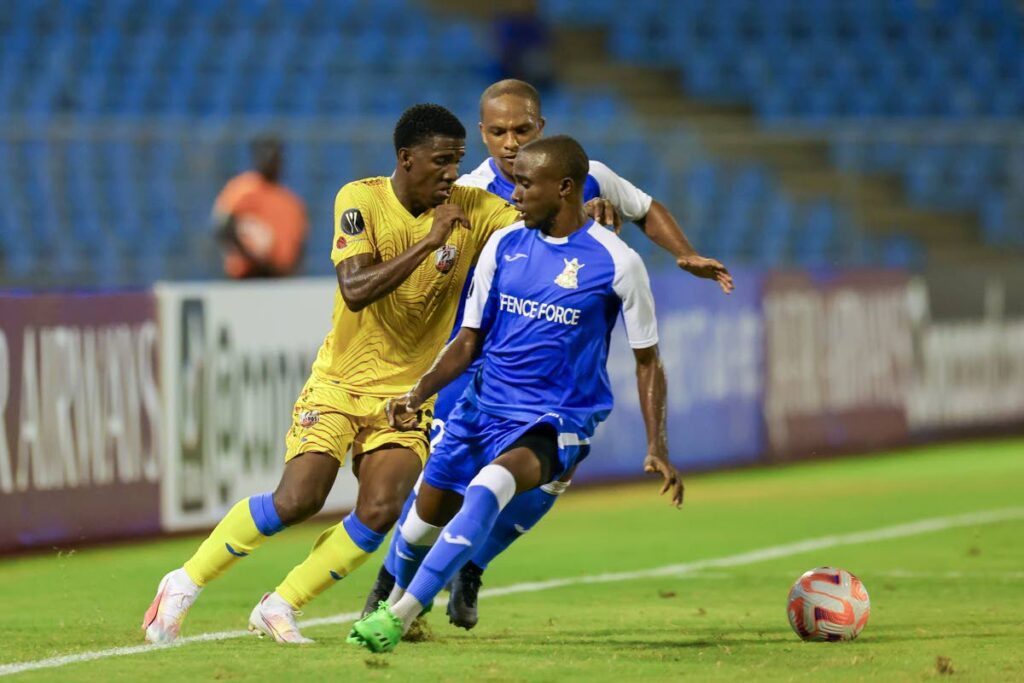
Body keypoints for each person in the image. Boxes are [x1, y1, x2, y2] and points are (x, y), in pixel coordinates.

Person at [142, 104, 527, 645]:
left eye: (457, 162)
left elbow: (535, 226)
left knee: (380, 509)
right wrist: (429, 242)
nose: (451, 174)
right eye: (441, 162)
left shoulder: (475, 209)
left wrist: (590, 211)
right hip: (340, 383)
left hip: (405, 395)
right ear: (406, 159)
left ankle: (280, 604)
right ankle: (183, 582)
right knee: (297, 500)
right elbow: (356, 287)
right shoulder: (360, 199)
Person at [364, 78, 731, 630]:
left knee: (535, 484)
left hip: (558, 382)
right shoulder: (462, 191)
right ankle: (389, 588)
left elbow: (645, 208)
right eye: (497, 132)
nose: (510, 143)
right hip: (480, 364)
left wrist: (685, 253)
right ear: (481, 133)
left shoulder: (586, 177)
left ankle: (471, 566)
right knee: (438, 494)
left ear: (542, 127)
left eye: (522, 129)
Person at [212, 136, 308, 278]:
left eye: (274, 155)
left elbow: (300, 246)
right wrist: (251, 254)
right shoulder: (243, 189)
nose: (270, 159)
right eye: (265, 154)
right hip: (246, 277)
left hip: (280, 278)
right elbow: (222, 227)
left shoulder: (291, 203)